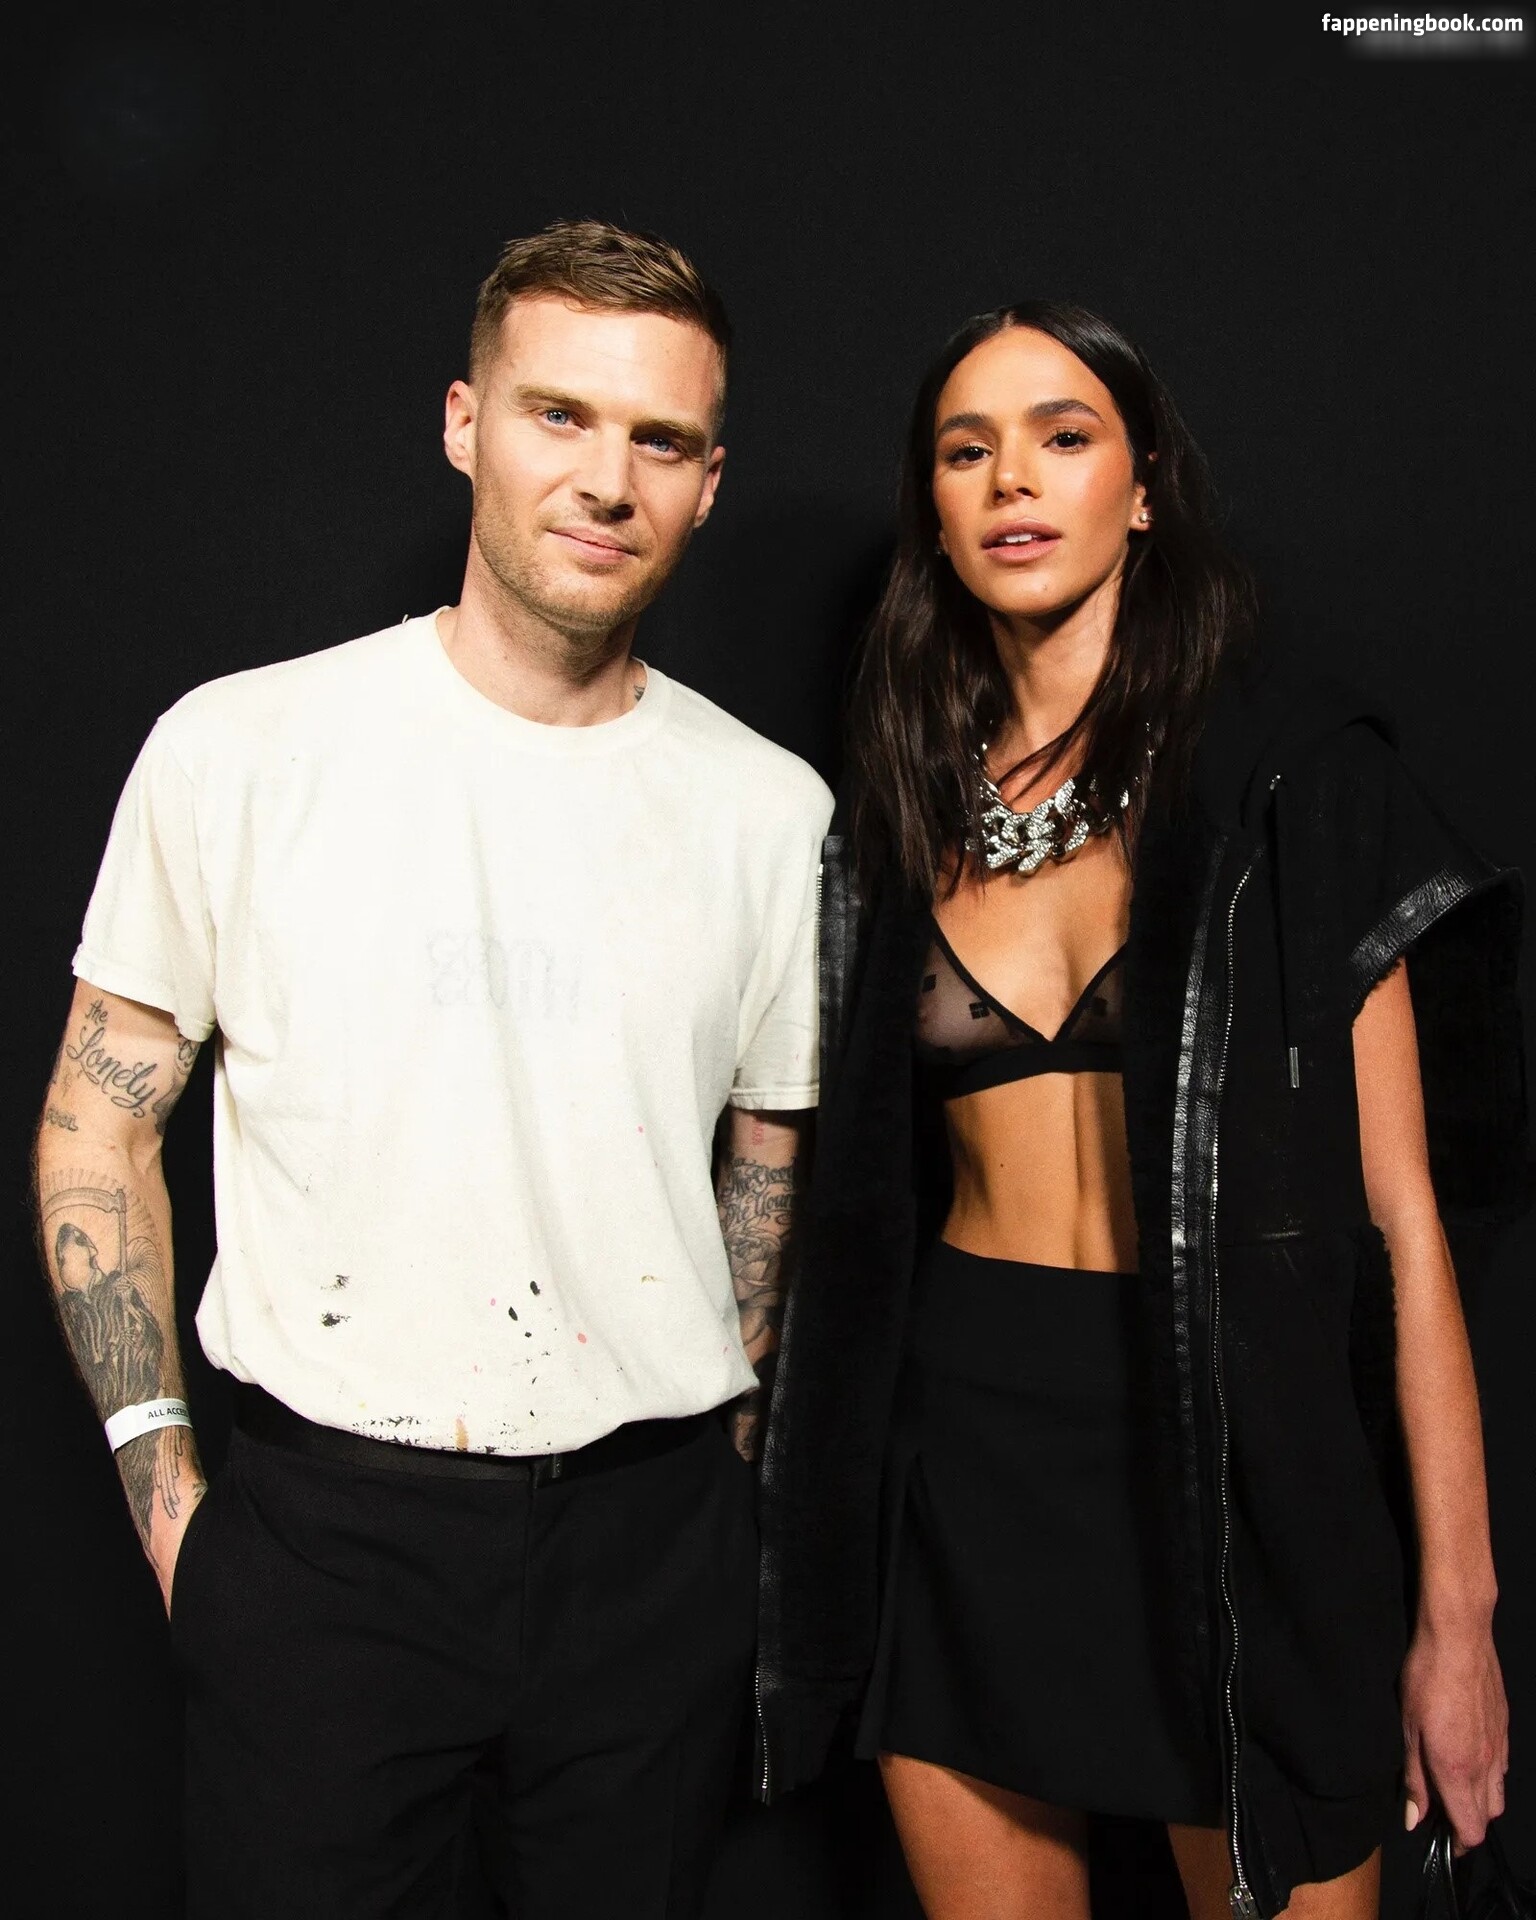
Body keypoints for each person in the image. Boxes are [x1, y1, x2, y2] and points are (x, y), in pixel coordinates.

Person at [35, 218, 832, 1920]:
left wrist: (719, 1481)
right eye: (560, 414)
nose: (607, 477)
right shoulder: (243, 749)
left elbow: (768, 1162)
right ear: (466, 422)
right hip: (327, 1546)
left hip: (651, 1552)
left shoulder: (773, 811)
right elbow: (98, 1122)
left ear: (708, 483)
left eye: (662, 439)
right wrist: (172, 1500)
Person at [753, 303, 1524, 1918]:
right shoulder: (895, 815)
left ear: (1146, 484)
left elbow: (1404, 1224)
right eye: (966, 450)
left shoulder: (1290, 778)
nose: (1013, 480)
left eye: (1064, 434)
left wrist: (1459, 1619)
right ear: (934, 510)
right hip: (961, 1463)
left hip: (1236, 1470)